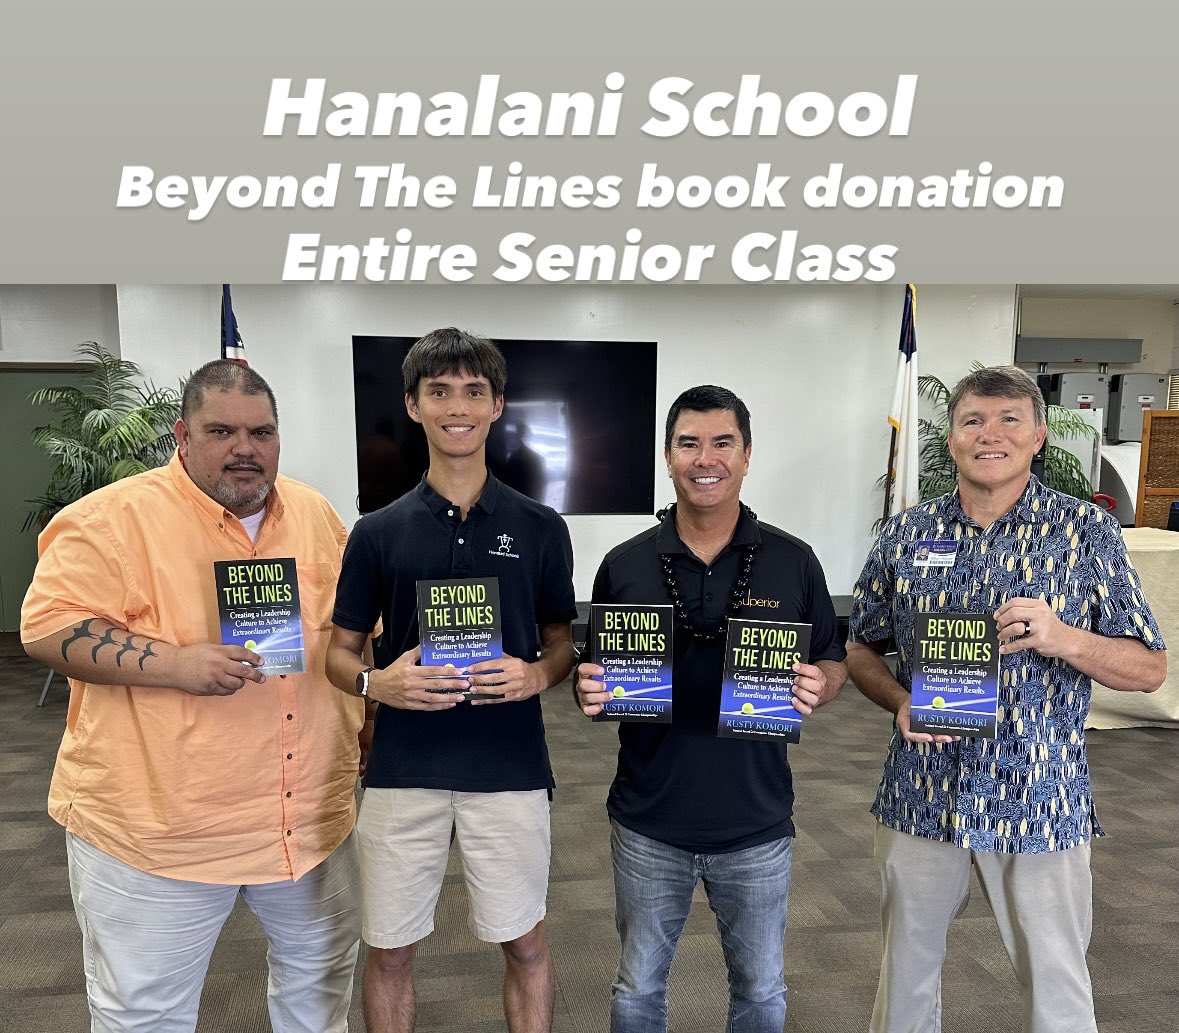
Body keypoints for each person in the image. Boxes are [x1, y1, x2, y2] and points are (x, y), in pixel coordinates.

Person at [20, 360, 365, 1033]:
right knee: (145, 1016)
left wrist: (373, 719)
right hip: (159, 832)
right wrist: (174, 662)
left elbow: (354, 634)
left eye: (261, 431)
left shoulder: (316, 514)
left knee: (320, 999)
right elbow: (47, 626)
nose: (244, 447)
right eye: (221, 430)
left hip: (307, 823)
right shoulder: (112, 519)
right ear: (180, 434)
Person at [846, 365, 1167, 1033]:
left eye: (1008, 419)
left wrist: (1063, 637)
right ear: (954, 437)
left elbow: (1147, 669)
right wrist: (898, 700)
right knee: (902, 980)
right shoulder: (904, 535)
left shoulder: (1085, 533)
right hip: (920, 792)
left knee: (1055, 985)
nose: (989, 434)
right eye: (972, 420)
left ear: (1038, 435)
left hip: (1038, 799)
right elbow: (858, 646)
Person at [326, 328, 577, 1033]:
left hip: (509, 767)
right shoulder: (377, 531)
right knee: (390, 950)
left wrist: (535, 674)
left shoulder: (540, 526)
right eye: (439, 391)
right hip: (403, 771)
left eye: (473, 391)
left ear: (497, 405)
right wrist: (380, 685)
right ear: (413, 405)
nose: (456, 406)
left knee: (525, 943)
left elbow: (562, 642)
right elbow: (336, 655)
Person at [575, 385, 848, 1033]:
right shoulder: (625, 564)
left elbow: (835, 658)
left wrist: (820, 683)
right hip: (648, 822)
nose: (706, 457)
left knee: (758, 991)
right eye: (689, 443)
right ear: (667, 457)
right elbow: (598, 675)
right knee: (636, 989)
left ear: (746, 455)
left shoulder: (792, 560)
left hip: (753, 823)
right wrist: (590, 693)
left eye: (722, 442)